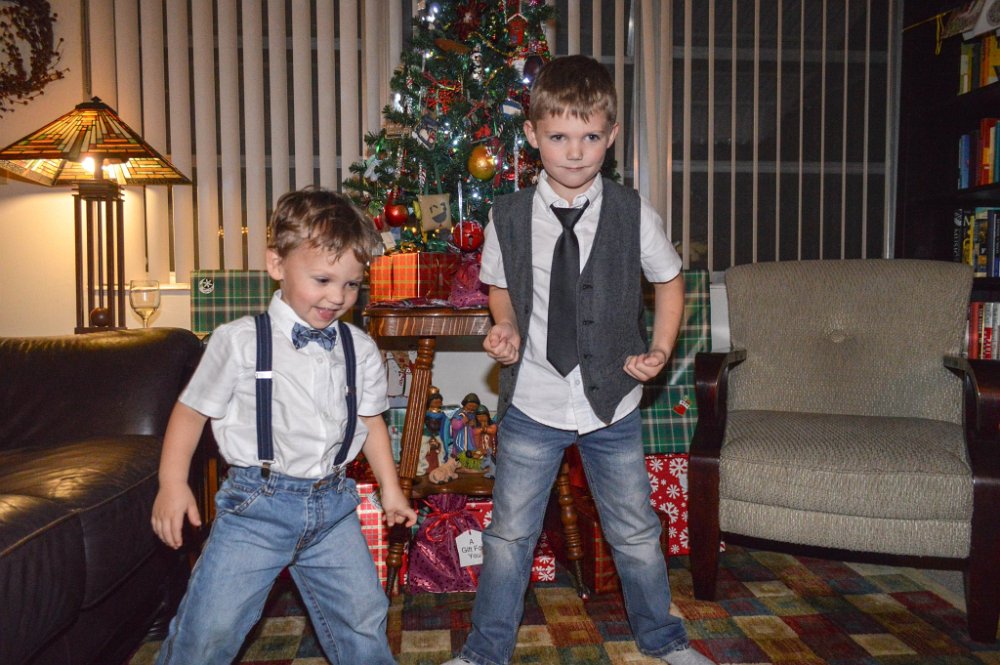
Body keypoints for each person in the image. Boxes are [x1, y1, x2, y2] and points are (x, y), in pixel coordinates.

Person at [443, 56, 713, 665]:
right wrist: (505, 326)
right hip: (532, 402)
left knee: (635, 531)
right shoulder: (507, 216)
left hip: (611, 403)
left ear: (611, 136)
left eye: (590, 137)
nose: (574, 152)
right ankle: (485, 652)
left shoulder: (632, 212)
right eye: (559, 136)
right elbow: (499, 288)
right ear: (533, 134)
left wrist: (661, 349)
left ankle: (663, 640)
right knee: (508, 536)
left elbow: (669, 280)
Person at [151, 187, 417, 665]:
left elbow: (370, 421)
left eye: (352, 285)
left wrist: (391, 490)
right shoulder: (238, 341)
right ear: (277, 263)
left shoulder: (359, 348)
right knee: (210, 627)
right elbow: (190, 412)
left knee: (363, 616)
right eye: (322, 279)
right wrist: (172, 484)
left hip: (334, 506)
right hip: (256, 507)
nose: (337, 297)